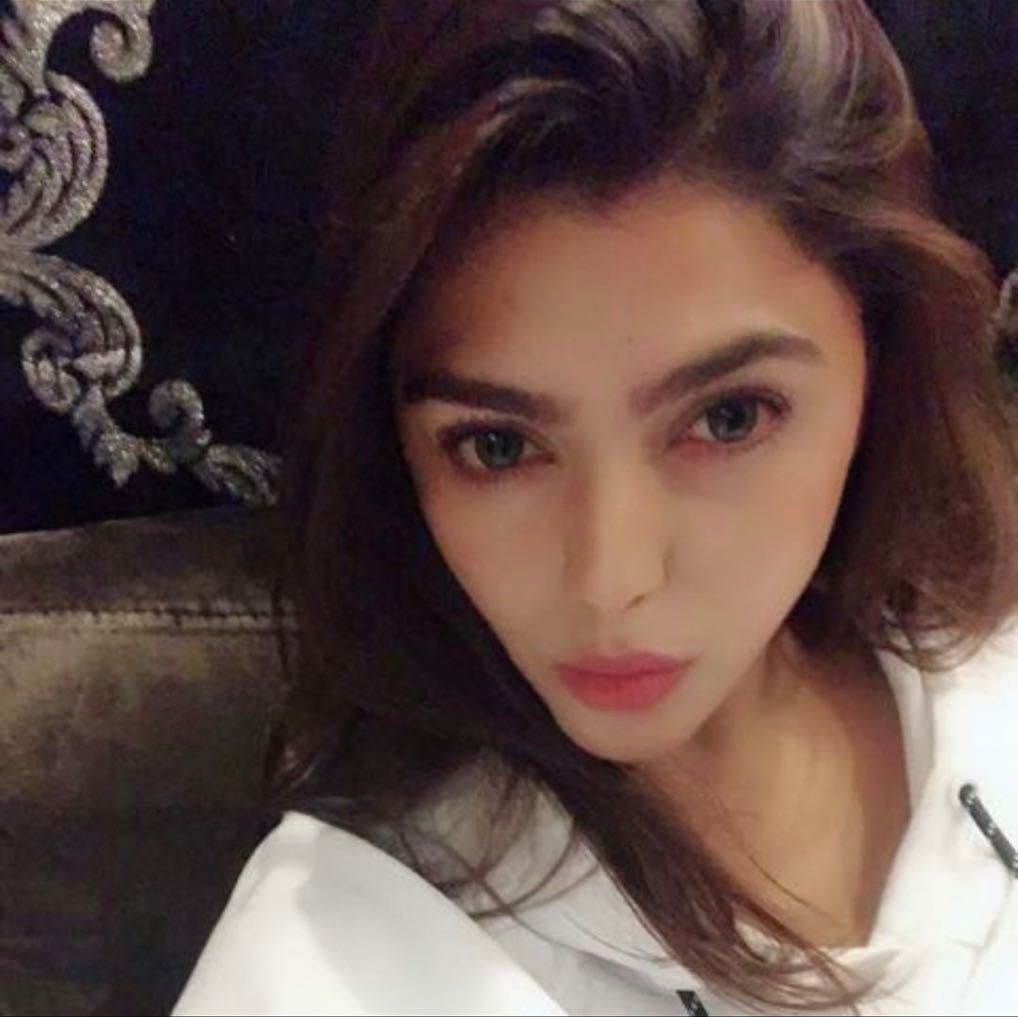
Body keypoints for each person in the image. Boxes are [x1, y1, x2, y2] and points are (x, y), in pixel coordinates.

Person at [173, 1, 1018, 1014]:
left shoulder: (986, 654)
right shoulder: (332, 965)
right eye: (498, 447)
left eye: (729, 418)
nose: (612, 578)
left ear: (882, 358)